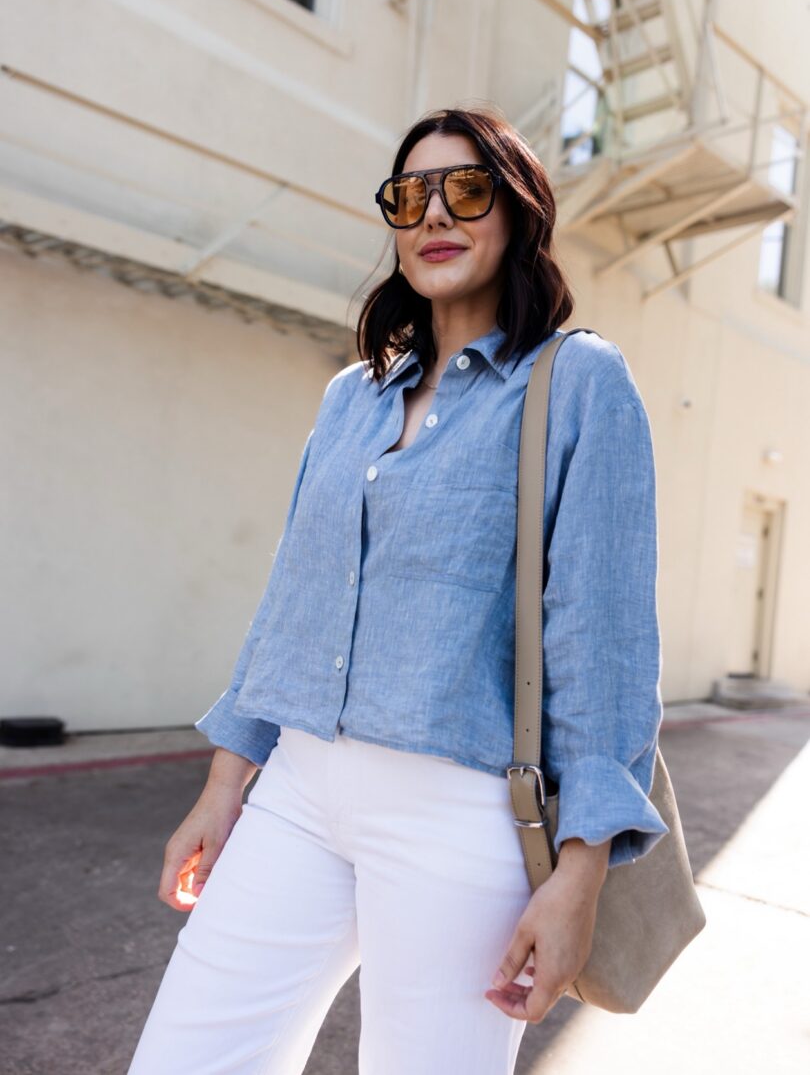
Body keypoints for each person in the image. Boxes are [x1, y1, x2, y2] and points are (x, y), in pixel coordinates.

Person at [127, 104, 669, 1075]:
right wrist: (223, 786)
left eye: (466, 188)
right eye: (409, 196)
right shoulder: (351, 397)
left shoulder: (578, 382)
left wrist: (579, 875)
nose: (435, 213)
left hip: (457, 813)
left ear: (518, 212)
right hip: (299, 788)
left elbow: (604, 643)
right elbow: (291, 604)